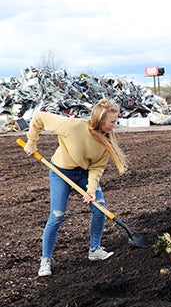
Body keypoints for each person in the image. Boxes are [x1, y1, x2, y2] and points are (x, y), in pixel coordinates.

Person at [23, 99, 128, 276]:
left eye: (115, 120)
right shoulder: (72, 126)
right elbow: (39, 117)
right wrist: (31, 142)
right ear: (100, 119)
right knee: (57, 215)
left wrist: (91, 190)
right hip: (61, 171)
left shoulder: (105, 141)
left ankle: (95, 249)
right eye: (112, 121)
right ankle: (46, 259)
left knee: (99, 208)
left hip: (84, 173)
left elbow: (97, 167)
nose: (114, 125)